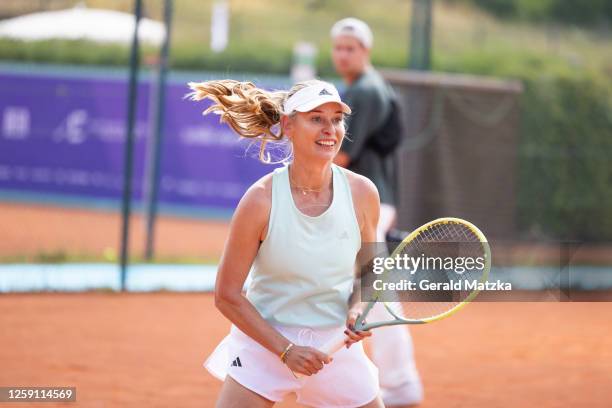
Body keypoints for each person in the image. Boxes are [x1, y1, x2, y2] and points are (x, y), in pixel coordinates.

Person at [189, 78, 385, 407]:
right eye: (316, 118)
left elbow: (369, 271)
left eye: (336, 119)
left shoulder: (363, 193)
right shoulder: (260, 201)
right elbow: (226, 295)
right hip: (264, 347)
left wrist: (356, 309)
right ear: (288, 126)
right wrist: (286, 350)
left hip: (335, 348)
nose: (329, 129)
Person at [331, 17, 424, 407]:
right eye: (338, 47)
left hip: (368, 204)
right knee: (374, 295)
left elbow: (340, 155)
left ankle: (397, 387)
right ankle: (400, 386)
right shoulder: (362, 87)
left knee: (369, 295)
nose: (343, 54)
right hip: (368, 202)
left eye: (351, 47)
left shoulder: (365, 91)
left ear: (366, 52)